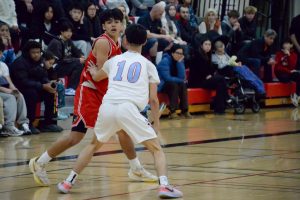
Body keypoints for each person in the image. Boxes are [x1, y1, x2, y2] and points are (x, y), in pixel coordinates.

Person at [29, 9, 157, 188]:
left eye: (117, 21)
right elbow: (101, 74)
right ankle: (40, 162)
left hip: (104, 95)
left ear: (122, 25)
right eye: (109, 22)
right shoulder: (104, 42)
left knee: (123, 131)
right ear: (103, 26)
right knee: (75, 137)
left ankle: (136, 168)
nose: (113, 24)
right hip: (89, 92)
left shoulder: (118, 43)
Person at [57, 23, 183, 198]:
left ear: (125, 41)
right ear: (145, 41)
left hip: (107, 107)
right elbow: (154, 100)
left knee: (93, 145)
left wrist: (93, 69)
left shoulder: (114, 60)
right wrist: (157, 124)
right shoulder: (148, 65)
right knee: (156, 149)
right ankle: (164, 186)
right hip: (128, 108)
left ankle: (67, 182)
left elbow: (97, 75)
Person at [10, 41, 63, 134]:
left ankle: (48, 123)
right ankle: (29, 123)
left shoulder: (40, 61)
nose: (36, 55)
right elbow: (23, 82)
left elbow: (43, 76)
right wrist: (42, 86)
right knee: (31, 93)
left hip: (36, 87)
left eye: (38, 52)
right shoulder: (19, 63)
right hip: (20, 90)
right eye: (33, 52)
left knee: (51, 91)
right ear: (28, 52)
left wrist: (48, 83)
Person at [188, 37, 230, 114]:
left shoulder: (208, 55)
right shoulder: (197, 55)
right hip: (197, 81)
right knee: (220, 79)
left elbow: (210, 70)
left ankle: (220, 108)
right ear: (201, 45)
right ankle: (225, 100)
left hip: (205, 79)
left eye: (209, 45)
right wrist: (207, 75)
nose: (208, 46)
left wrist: (210, 74)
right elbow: (197, 70)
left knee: (220, 82)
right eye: (206, 44)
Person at [0, 39, 31, 136]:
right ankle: (9, 126)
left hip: (3, 90)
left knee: (19, 95)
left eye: (0, 52)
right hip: (2, 90)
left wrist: (14, 90)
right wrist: (8, 91)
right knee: (10, 97)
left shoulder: (3, 65)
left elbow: (9, 82)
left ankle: (23, 124)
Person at [47, 21, 85, 96]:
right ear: (61, 31)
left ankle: (74, 87)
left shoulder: (68, 40)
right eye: (67, 31)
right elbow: (60, 60)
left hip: (64, 65)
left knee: (81, 63)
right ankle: (71, 88)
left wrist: (81, 56)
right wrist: (77, 60)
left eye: (71, 31)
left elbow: (76, 51)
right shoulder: (56, 42)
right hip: (54, 69)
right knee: (78, 64)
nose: (69, 33)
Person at [157, 44, 191, 119]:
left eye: (181, 54)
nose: (180, 55)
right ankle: (172, 111)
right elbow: (167, 78)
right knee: (174, 84)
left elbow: (182, 77)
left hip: (173, 83)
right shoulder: (164, 61)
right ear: (172, 53)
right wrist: (181, 80)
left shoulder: (180, 61)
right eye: (178, 53)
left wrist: (180, 63)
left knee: (182, 84)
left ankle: (184, 110)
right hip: (162, 85)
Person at [274, 39, 299, 107]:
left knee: (298, 75)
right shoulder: (278, 54)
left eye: (287, 43)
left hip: (290, 72)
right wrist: (289, 71)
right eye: (284, 43)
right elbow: (278, 68)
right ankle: (293, 94)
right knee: (285, 78)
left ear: (291, 45)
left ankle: (296, 95)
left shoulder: (294, 55)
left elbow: (292, 66)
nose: (285, 45)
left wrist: (289, 55)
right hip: (281, 73)